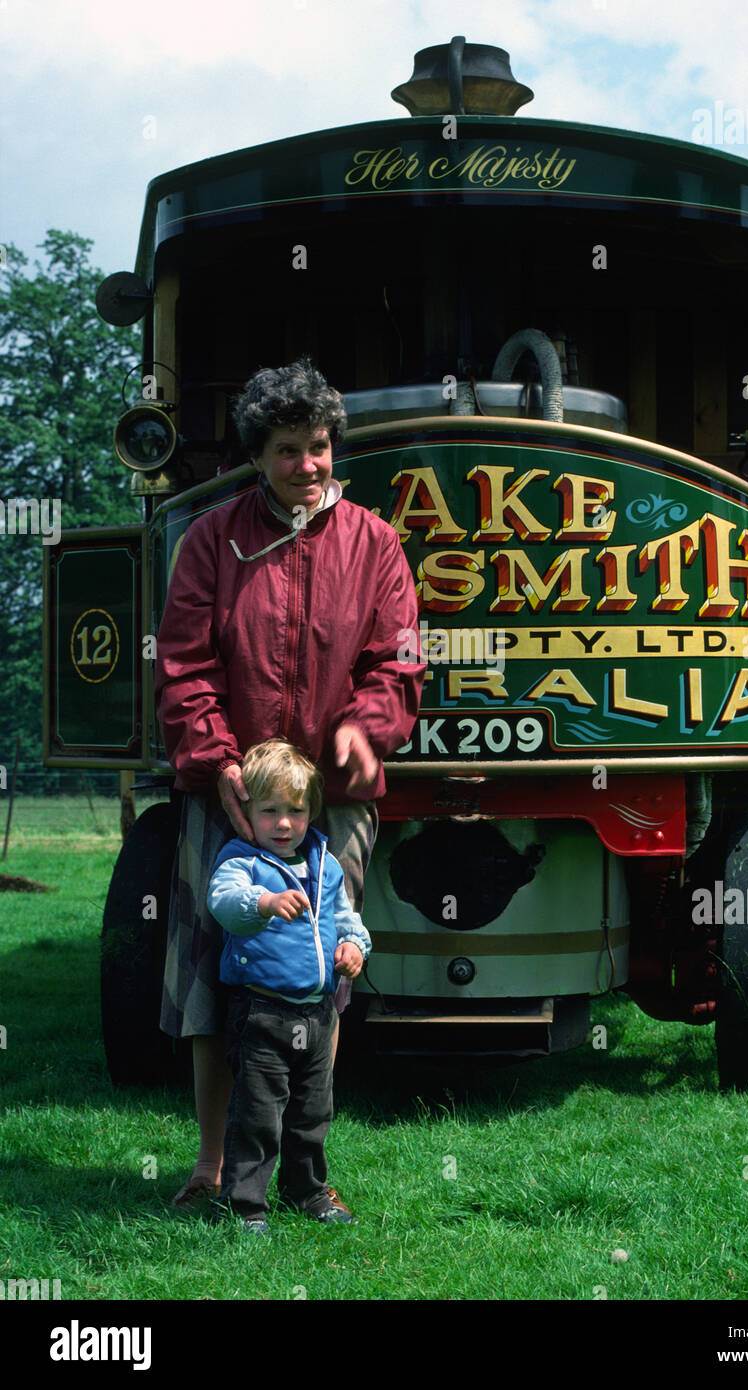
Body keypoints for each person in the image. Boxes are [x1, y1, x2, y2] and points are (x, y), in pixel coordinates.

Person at [154, 356, 423, 1211]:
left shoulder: (378, 545)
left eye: (318, 447)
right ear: (256, 456)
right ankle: (210, 1165)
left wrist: (366, 727)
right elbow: (185, 665)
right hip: (231, 798)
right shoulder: (211, 540)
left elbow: (401, 663)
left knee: (315, 976)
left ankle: (301, 1171)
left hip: (333, 801)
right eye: (286, 450)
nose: (308, 466)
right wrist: (216, 760)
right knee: (217, 975)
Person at [207, 739, 371, 1232]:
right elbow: (224, 902)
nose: (283, 823)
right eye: (270, 810)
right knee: (256, 1114)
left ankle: (307, 1193)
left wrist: (355, 949)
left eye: (295, 811)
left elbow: (348, 920)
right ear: (248, 812)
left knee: (312, 1113)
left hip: (318, 1015)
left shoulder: (326, 864)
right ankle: (244, 1206)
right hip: (261, 1013)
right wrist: (263, 903)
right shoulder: (241, 862)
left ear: (311, 812)